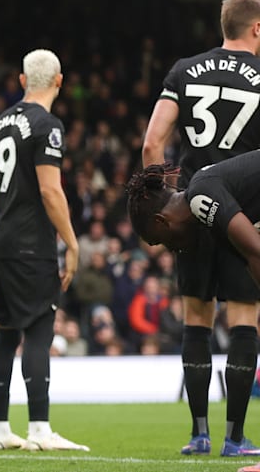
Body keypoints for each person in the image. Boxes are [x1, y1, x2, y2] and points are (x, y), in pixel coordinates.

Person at [141, 0, 260, 457]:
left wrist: (164, 202)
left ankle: (198, 433)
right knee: (245, 319)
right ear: (256, 29)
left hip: (192, 209)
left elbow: (153, 143)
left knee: (197, 318)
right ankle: (235, 438)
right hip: (244, 213)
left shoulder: (185, 69)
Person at [0, 49, 88, 452]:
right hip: (30, 243)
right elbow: (49, 189)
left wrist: (4, 223)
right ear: (59, 82)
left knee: (6, 333)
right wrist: (72, 242)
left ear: (23, 81)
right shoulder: (48, 125)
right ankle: (40, 429)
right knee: (39, 330)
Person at [125, 155, 260, 472]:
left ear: (161, 221)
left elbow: (255, 250)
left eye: (160, 241)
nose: (170, 248)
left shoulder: (201, 196)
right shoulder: (208, 202)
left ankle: (205, 434)